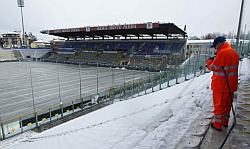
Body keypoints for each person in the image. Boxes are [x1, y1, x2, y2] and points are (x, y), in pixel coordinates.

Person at [206, 36, 239, 131]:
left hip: (220, 85)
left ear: (219, 44)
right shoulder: (234, 52)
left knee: (219, 105)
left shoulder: (222, 53)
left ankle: (217, 125)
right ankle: (225, 122)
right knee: (227, 105)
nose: (215, 48)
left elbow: (214, 67)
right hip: (231, 85)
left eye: (215, 46)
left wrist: (209, 61)